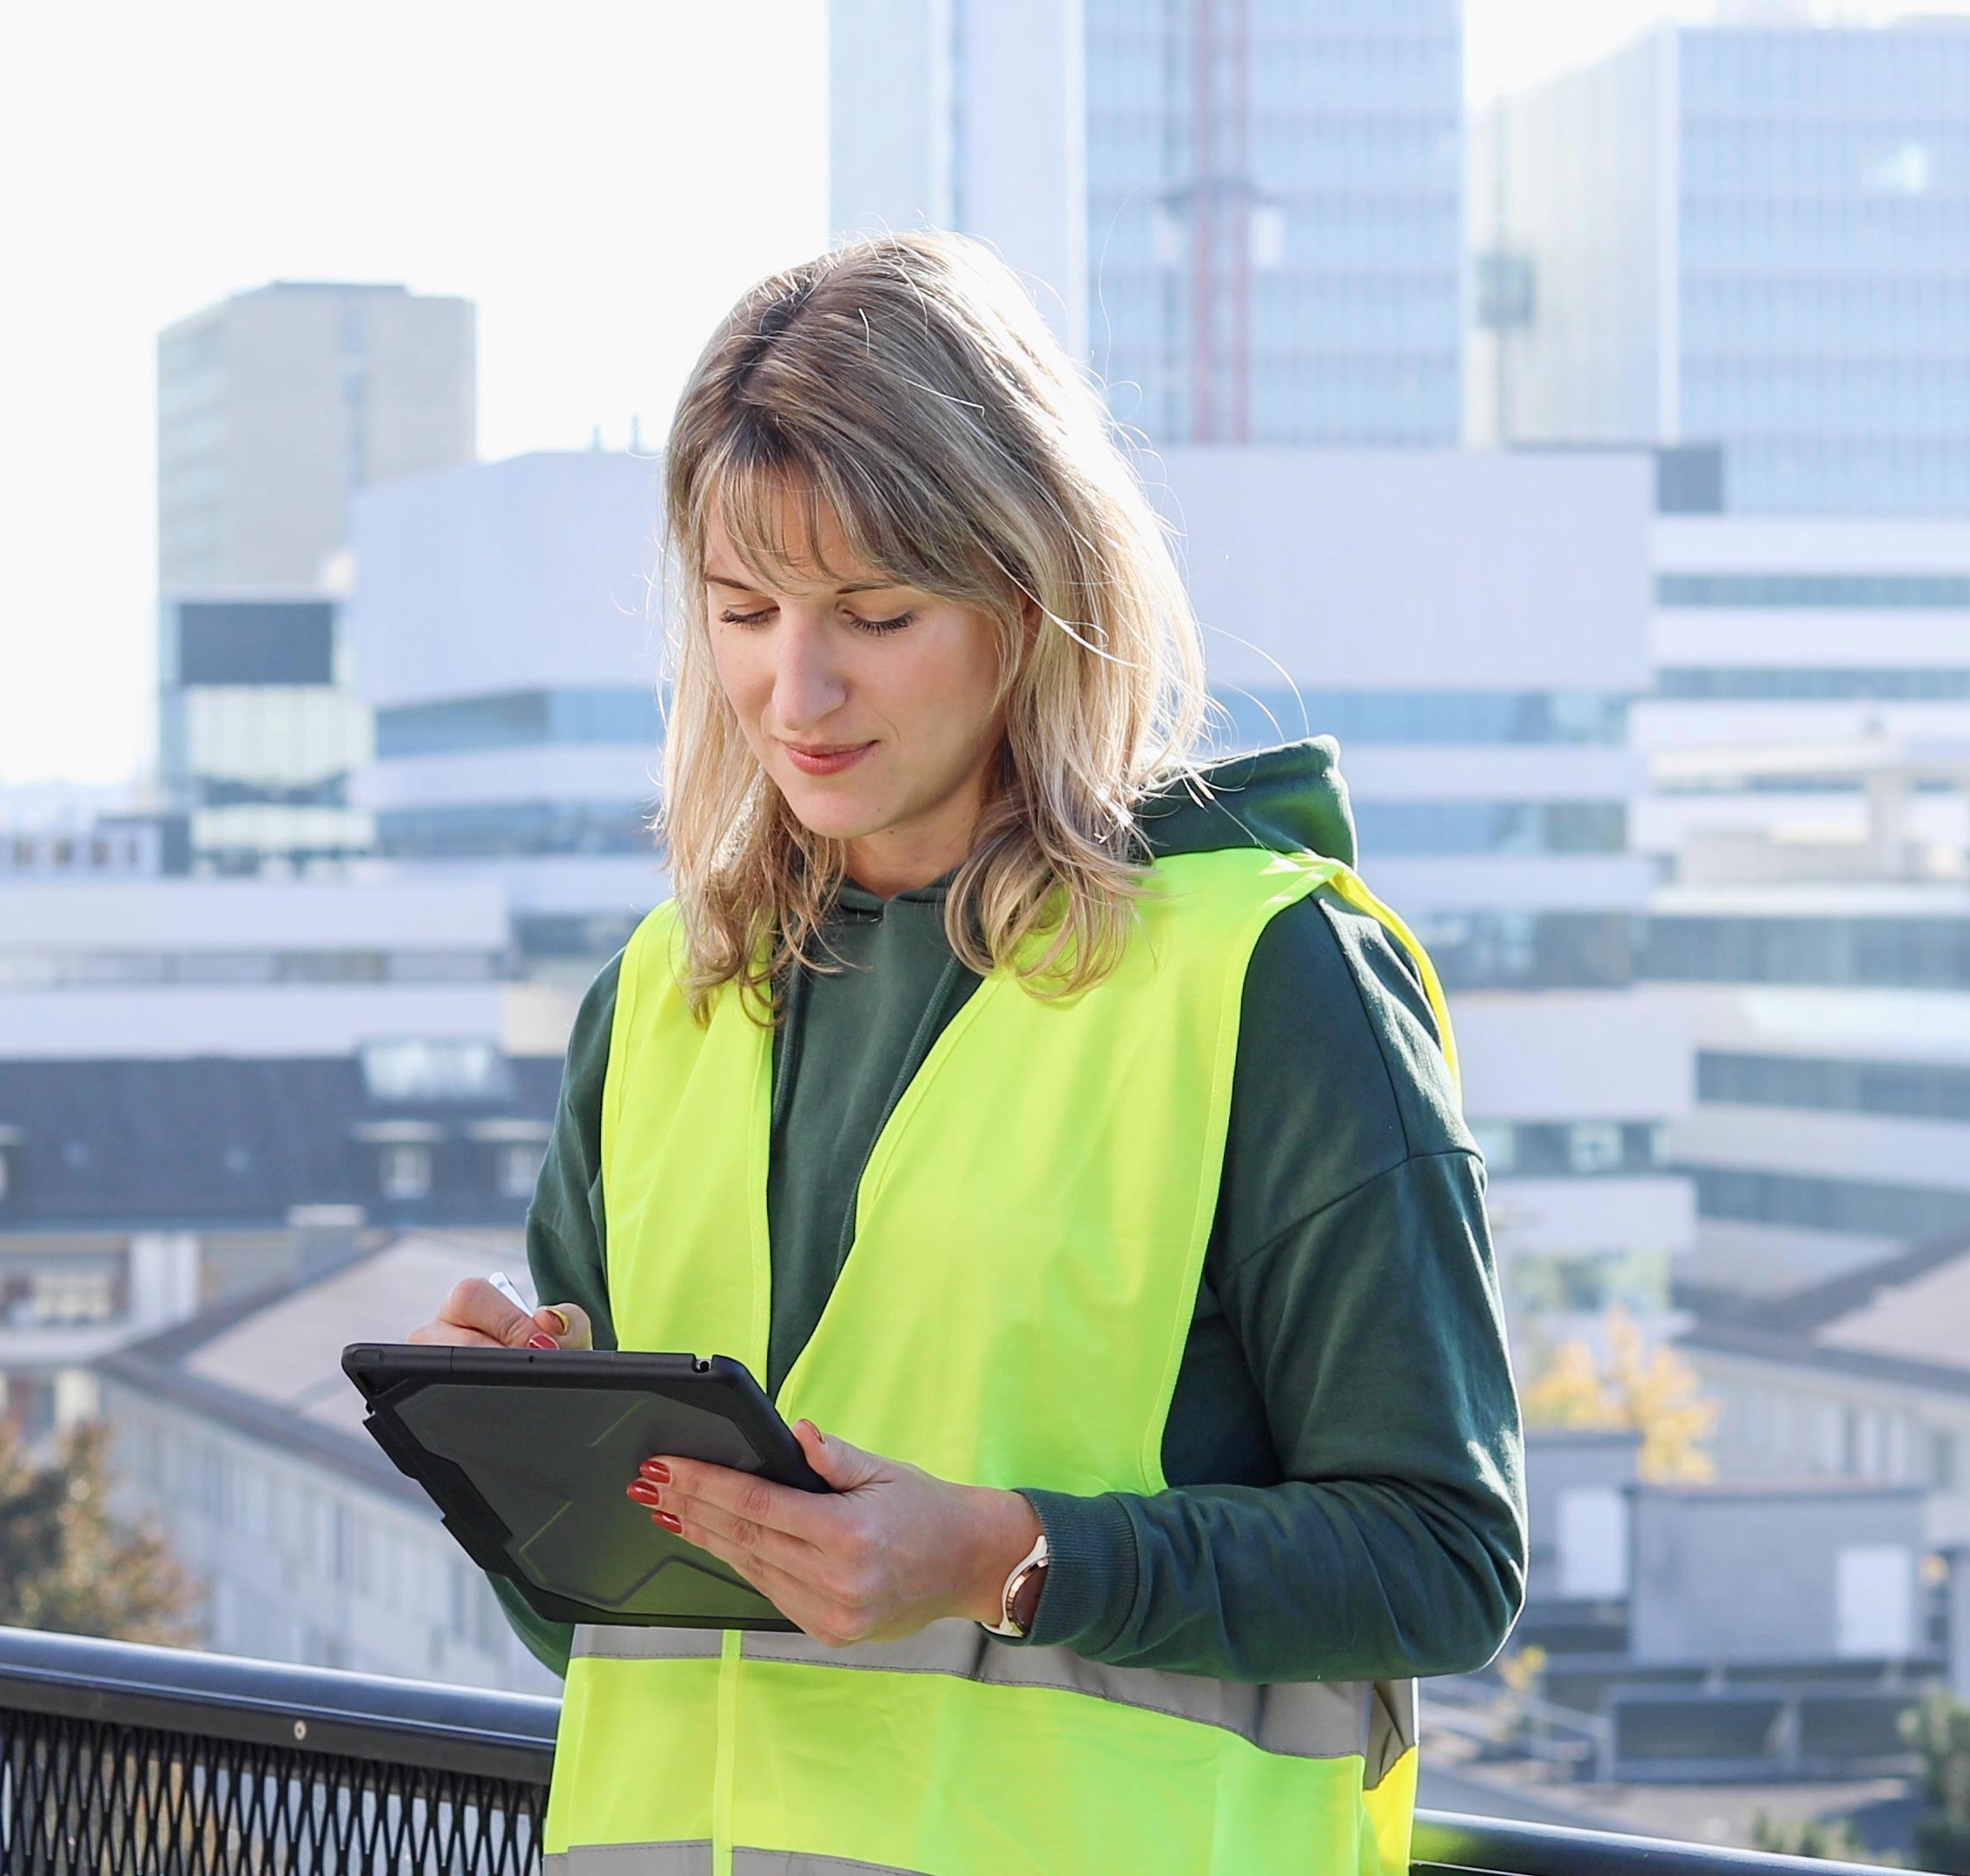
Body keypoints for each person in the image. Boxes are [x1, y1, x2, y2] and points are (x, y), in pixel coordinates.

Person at [405, 232, 1524, 1874]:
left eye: (876, 611)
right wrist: (527, 1475)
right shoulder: (662, 999)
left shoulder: (1270, 979)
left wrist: (1006, 1557)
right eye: (742, 610)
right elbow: (600, 1642)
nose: (797, 687)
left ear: (1031, 599)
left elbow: (1442, 1557)